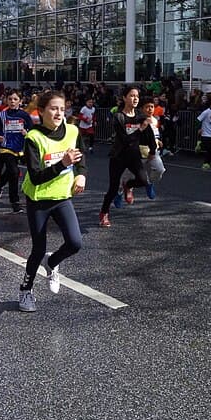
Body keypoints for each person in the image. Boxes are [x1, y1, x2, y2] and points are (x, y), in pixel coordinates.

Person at [17, 90, 87, 313]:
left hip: (62, 197)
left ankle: (53, 262)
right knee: (38, 249)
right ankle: (25, 290)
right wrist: (62, 163)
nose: (58, 113)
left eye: (61, 108)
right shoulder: (33, 138)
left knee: (75, 243)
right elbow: (36, 177)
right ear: (42, 111)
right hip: (38, 199)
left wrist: (81, 174)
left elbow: (81, 157)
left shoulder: (73, 131)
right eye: (53, 108)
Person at [98, 86, 156, 227]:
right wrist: (140, 129)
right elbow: (126, 139)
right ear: (124, 98)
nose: (135, 98)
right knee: (112, 189)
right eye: (131, 95)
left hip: (134, 156)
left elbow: (149, 135)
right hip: (119, 156)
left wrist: (152, 150)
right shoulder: (118, 117)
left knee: (143, 181)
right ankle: (104, 213)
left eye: (137, 96)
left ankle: (128, 185)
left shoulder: (140, 116)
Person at [0, 90, 33, 213]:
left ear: (20, 101)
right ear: (6, 100)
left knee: (10, 171)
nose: (12, 101)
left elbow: (32, 129)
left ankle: (0, 185)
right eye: (10, 99)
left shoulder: (24, 115)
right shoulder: (2, 115)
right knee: (14, 172)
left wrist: (27, 132)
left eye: (15, 99)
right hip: (6, 147)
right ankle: (14, 201)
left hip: (20, 147)